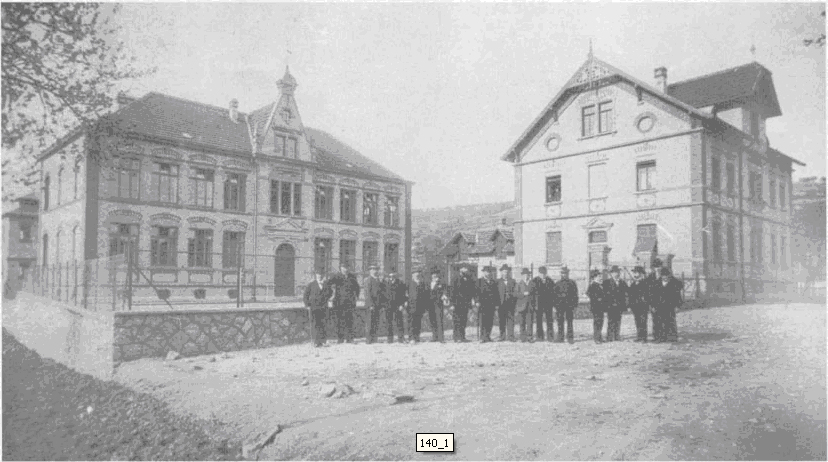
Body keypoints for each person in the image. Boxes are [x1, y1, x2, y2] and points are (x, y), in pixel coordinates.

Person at [327, 263, 361, 344]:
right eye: (343, 267)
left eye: (347, 267)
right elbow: (328, 284)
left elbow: (357, 287)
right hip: (339, 302)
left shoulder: (352, 277)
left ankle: (350, 339)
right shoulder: (336, 276)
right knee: (339, 321)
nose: (345, 269)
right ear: (340, 268)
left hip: (349, 302)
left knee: (349, 320)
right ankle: (340, 339)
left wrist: (356, 296)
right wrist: (330, 295)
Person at [651, 267, 682, 343]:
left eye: (666, 275)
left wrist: (677, 306)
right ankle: (659, 337)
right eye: (663, 276)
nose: (665, 277)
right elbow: (653, 296)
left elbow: (677, 296)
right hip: (658, 306)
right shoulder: (656, 283)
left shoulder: (674, 284)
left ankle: (671, 337)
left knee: (670, 322)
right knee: (658, 322)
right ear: (661, 276)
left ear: (669, 276)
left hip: (670, 306)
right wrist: (653, 306)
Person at [303, 270, 332, 347]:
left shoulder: (326, 284)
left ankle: (323, 341)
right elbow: (305, 295)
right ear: (316, 275)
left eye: (321, 274)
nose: (320, 276)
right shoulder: (311, 284)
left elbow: (330, 292)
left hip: (323, 307)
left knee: (323, 323)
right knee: (315, 324)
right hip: (314, 307)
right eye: (318, 274)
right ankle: (315, 341)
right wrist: (307, 305)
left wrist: (326, 299)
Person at [450, 265, 476, 342]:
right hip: (456, 303)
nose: (466, 269)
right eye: (464, 268)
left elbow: (471, 290)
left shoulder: (469, 278)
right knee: (456, 320)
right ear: (460, 269)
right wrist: (452, 304)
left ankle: (462, 337)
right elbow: (452, 291)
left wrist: (471, 301)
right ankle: (456, 337)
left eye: (466, 268)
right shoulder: (455, 278)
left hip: (465, 303)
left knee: (463, 320)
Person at [553, 266, 578, 343]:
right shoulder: (557, 283)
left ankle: (570, 338)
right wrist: (554, 306)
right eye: (563, 273)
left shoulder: (572, 283)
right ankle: (560, 337)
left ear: (568, 273)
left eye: (566, 273)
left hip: (569, 305)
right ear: (561, 274)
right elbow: (554, 295)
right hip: (560, 305)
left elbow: (575, 295)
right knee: (560, 322)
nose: (564, 275)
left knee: (569, 322)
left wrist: (575, 305)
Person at [603, 265, 628, 342]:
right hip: (610, 305)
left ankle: (617, 336)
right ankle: (609, 337)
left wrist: (625, 305)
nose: (616, 274)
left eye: (617, 272)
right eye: (614, 272)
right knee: (611, 321)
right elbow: (604, 295)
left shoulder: (623, 282)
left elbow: (626, 293)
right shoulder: (606, 282)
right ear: (611, 274)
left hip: (619, 305)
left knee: (618, 320)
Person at [475, 266, 500, 343]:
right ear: (483, 272)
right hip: (482, 304)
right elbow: (476, 292)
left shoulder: (493, 282)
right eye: (486, 272)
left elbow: (496, 293)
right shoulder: (479, 281)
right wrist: (477, 301)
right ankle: (482, 337)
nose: (488, 273)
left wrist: (496, 304)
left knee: (490, 320)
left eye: (489, 272)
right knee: (483, 321)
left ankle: (488, 336)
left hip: (491, 304)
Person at [383, 271, 408, 343]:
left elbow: (404, 295)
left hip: (398, 305)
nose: (391, 278)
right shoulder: (385, 283)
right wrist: (384, 304)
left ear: (396, 276)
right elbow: (382, 294)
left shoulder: (400, 283)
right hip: (388, 305)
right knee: (388, 322)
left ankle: (401, 338)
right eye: (390, 276)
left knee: (399, 322)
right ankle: (390, 339)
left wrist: (402, 305)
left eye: (393, 276)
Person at [407, 269, 430, 343]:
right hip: (411, 306)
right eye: (415, 274)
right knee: (411, 322)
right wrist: (406, 302)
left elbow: (425, 295)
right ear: (412, 276)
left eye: (418, 275)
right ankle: (411, 338)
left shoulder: (422, 284)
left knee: (418, 322)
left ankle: (417, 337)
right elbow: (405, 294)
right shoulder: (409, 283)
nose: (417, 276)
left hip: (420, 306)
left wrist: (425, 306)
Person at [533, 266, 556, 342]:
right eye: (541, 273)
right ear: (538, 273)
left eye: (544, 273)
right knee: (539, 321)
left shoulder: (550, 281)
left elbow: (553, 293)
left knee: (549, 320)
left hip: (548, 304)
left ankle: (550, 336)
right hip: (538, 304)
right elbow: (533, 294)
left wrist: (553, 304)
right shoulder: (535, 281)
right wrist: (534, 304)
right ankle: (540, 337)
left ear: (546, 273)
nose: (543, 275)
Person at [628, 266, 650, 342]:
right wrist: (630, 305)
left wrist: (646, 301)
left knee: (643, 321)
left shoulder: (645, 283)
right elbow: (630, 295)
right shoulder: (633, 284)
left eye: (637, 273)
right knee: (637, 321)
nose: (635, 274)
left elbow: (648, 294)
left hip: (643, 306)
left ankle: (644, 337)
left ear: (641, 274)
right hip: (635, 306)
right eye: (634, 273)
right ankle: (639, 336)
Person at [363, 265, 384, 344]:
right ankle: (368, 339)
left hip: (378, 304)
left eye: (376, 269)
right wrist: (370, 304)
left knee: (376, 321)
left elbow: (381, 293)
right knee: (369, 322)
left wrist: (381, 305)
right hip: (370, 305)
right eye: (373, 269)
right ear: (370, 271)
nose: (374, 271)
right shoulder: (368, 280)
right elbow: (367, 293)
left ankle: (374, 338)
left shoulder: (378, 280)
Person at [497, 264, 517, 342]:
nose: (505, 273)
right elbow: (495, 293)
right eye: (504, 272)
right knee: (501, 320)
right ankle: (502, 336)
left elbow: (515, 292)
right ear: (501, 272)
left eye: (506, 272)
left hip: (510, 304)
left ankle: (511, 336)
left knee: (511, 320)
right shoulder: (498, 281)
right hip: (501, 304)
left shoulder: (512, 281)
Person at [515, 268, 536, 342]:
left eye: (527, 275)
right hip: (521, 306)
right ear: (522, 275)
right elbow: (516, 294)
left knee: (529, 322)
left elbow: (535, 295)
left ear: (529, 276)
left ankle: (530, 337)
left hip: (530, 306)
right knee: (522, 322)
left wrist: (534, 304)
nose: (526, 276)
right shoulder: (519, 284)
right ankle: (522, 337)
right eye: (524, 275)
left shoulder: (532, 283)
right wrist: (523, 294)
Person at [428, 269, 449, 342]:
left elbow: (446, 291)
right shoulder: (428, 283)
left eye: (436, 275)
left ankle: (441, 338)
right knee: (432, 320)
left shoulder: (442, 283)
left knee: (439, 320)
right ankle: (434, 337)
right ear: (431, 276)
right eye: (433, 275)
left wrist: (444, 295)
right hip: (430, 305)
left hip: (438, 304)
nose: (434, 276)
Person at [647, 259, 664, 341]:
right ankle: (656, 336)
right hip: (654, 302)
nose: (657, 268)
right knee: (655, 320)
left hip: (664, 302)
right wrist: (650, 304)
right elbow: (648, 291)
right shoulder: (650, 277)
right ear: (653, 268)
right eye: (656, 267)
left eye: (659, 266)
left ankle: (663, 337)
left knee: (663, 319)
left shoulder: (665, 276)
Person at [587, 269, 606, 344]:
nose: (600, 278)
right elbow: (589, 294)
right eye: (599, 276)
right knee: (597, 322)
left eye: (601, 276)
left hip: (601, 307)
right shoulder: (592, 285)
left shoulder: (601, 285)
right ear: (594, 278)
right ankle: (596, 338)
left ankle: (599, 337)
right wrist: (597, 299)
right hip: (596, 307)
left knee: (601, 322)